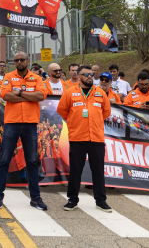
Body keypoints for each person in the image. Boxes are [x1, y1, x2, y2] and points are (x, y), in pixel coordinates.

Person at [0, 52, 48, 211]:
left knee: (31, 161)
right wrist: (30, 96)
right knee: (4, 160)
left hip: (30, 124)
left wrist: (19, 93)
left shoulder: (36, 78)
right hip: (12, 123)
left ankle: (35, 198)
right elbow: (5, 95)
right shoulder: (9, 76)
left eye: (22, 60)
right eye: (16, 60)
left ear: (27, 61)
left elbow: (41, 95)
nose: (19, 62)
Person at [57, 64, 111, 212]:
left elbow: (106, 112)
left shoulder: (100, 93)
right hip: (77, 138)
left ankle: (101, 201)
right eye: (86, 74)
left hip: (96, 138)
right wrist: (75, 122)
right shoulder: (70, 92)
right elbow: (62, 110)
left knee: (98, 171)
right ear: (79, 76)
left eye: (91, 74)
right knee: (75, 171)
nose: (89, 77)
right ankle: (72, 200)